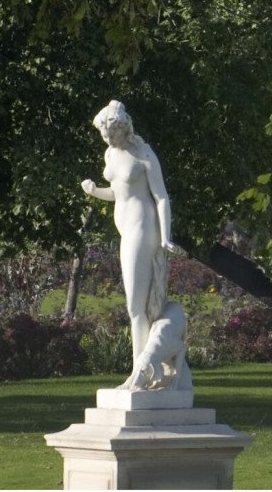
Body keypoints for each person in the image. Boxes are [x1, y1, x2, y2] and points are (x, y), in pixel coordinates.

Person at [80, 101, 185, 383]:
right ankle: (147, 369)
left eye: (112, 134)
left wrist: (165, 236)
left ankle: (141, 373)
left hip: (143, 228)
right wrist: (94, 191)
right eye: (104, 135)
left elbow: (161, 196)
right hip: (127, 230)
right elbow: (118, 193)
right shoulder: (110, 154)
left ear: (124, 127)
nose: (108, 139)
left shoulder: (144, 153)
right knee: (138, 305)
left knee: (135, 307)